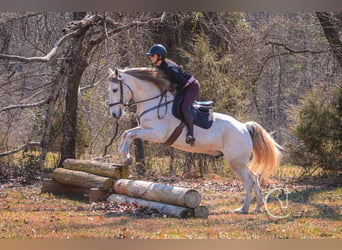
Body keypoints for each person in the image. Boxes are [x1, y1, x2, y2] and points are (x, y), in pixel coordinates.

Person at [146, 44, 200, 145]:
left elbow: (183, 83)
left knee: (184, 107)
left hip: (191, 87)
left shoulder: (170, 68)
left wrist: (172, 88)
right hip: (182, 86)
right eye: (150, 55)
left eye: (152, 55)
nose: (150, 57)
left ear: (160, 56)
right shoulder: (159, 66)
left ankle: (190, 135)